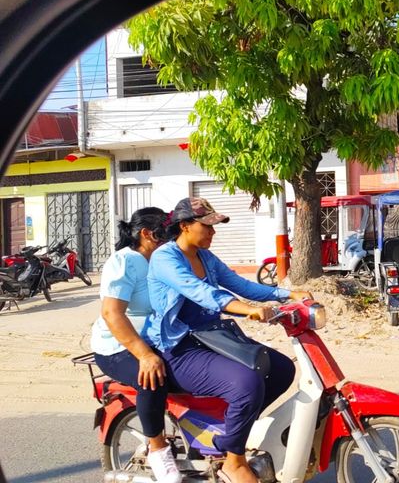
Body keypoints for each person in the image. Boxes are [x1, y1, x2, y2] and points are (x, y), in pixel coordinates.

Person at [147, 197, 311, 483]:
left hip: (211, 338)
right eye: (207, 226)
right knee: (247, 383)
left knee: (281, 369)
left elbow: (240, 284)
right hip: (179, 348)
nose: (213, 232)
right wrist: (246, 310)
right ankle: (234, 462)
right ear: (185, 226)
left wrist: (287, 295)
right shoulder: (165, 257)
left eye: (215, 226)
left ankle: (229, 432)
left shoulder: (205, 257)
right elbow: (200, 292)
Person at [90, 207, 181, 483]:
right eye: (166, 234)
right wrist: (144, 355)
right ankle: (158, 450)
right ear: (147, 234)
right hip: (118, 347)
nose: (171, 240)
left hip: (159, 337)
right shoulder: (125, 261)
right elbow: (112, 313)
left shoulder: (163, 260)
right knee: (152, 377)